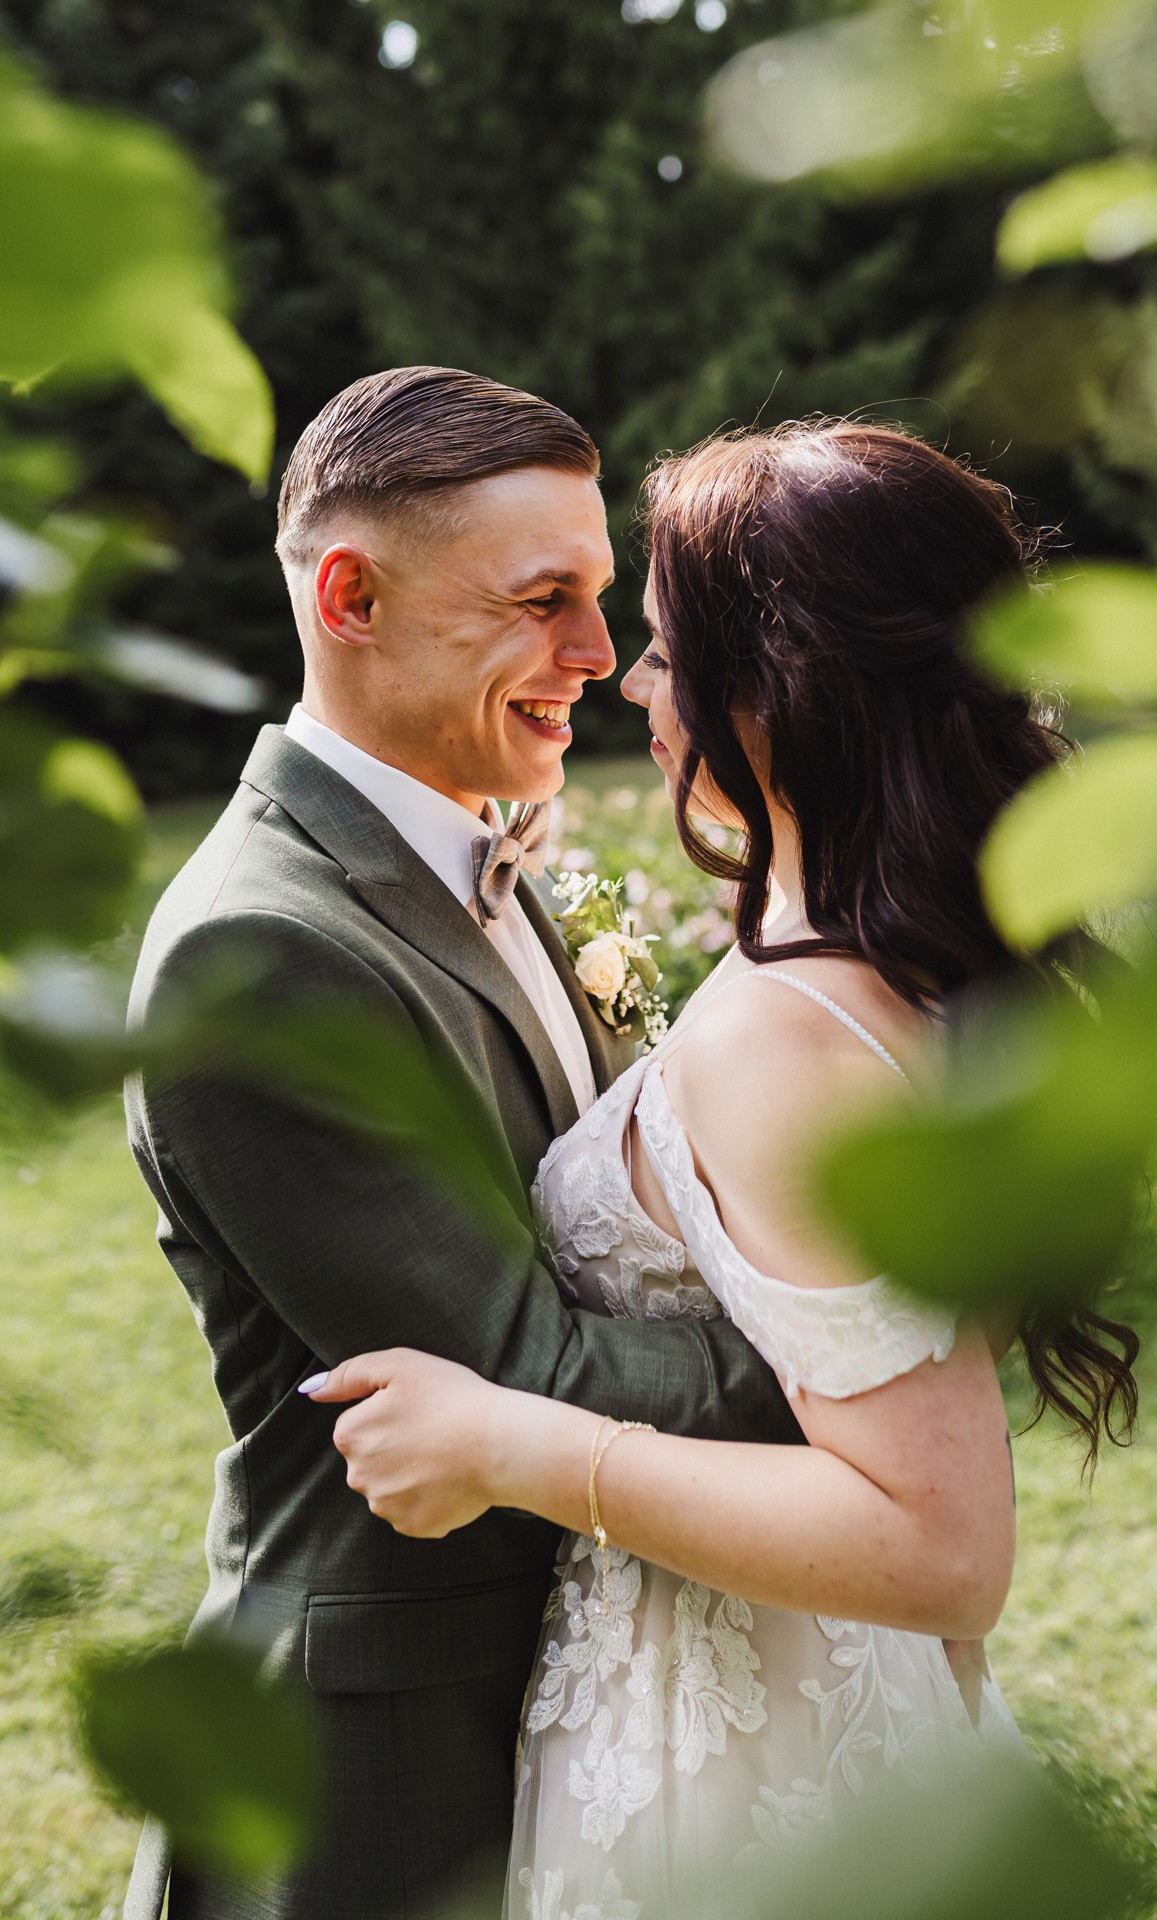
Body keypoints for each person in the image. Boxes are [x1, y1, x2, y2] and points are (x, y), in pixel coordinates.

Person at [307, 422, 1142, 1919]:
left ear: (782, 687)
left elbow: (943, 1544)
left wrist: (512, 1448)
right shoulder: (921, 964)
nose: (631, 682)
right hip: (820, 1695)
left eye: (667, 653)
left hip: (735, 1750)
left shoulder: (788, 1035)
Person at [122, 369, 805, 1920]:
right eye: (543, 600)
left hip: (601, 1675)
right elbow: (523, 1377)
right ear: (351, 597)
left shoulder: (521, 852)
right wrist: (862, 1346)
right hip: (391, 1751)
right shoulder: (260, 952)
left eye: (604, 600)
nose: (599, 655)